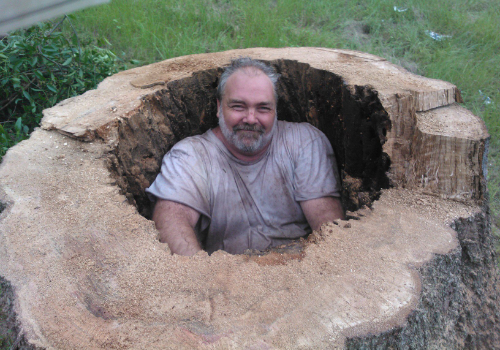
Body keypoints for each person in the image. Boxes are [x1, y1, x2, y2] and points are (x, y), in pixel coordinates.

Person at [146, 57, 344, 256]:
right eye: (238, 106)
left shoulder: (304, 142)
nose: (250, 119)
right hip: (224, 279)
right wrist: (201, 276)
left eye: (263, 108)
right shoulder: (190, 155)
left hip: (301, 271)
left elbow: (329, 230)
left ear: (276, 111)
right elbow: (171, 223)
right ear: (219, 107)